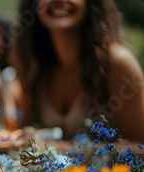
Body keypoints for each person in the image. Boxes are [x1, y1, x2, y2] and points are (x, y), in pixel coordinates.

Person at [14, 0, 144, 142]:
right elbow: (28, 125)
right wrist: (31, 136)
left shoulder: (117, 61)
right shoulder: (33, 65)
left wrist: (65, 150)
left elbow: (141, 147)